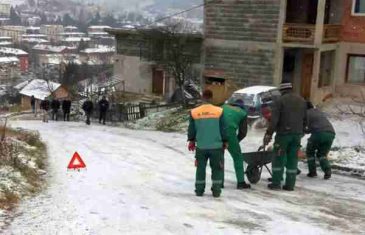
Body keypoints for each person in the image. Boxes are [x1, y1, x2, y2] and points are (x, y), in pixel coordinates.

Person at [264, 83, 307, 191]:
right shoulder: (302, 100)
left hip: (283, 135)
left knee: (278, 158)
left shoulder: (280, 101)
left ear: (282, 91)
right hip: (297, 135)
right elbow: (306, 118)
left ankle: (276, 183)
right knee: (293, 159)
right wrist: (302, 131)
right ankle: (290, 185)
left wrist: (269, 134)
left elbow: (274, 120)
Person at [188, 89, 228, 198]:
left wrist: (191, 140)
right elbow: (223, 128)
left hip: (201, 146)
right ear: (211, 97)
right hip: (216, 147)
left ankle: (199, 190)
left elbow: (191, 129)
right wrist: (225, 141)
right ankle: (216, 191)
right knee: (217, 169)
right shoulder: (219, 111)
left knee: (200, 168)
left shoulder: (194, 112)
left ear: (202, 97)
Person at [222, 99, 250, 189]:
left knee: (218, 157)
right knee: (237, 157)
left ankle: (218, 182)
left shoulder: (222, 107)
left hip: (216, 132)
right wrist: (235, 142)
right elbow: (243, 132)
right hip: (229, 133)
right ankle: (241, 182)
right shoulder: (242, 113)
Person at [305, 101, 335, 180]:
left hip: (319, 134)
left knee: (310, 152)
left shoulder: (306, 113)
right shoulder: (318, 111)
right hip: (331, 133)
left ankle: (312, 172)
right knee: (322, 154)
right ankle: (327, 171)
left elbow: (306, 127)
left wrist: (303, 132)